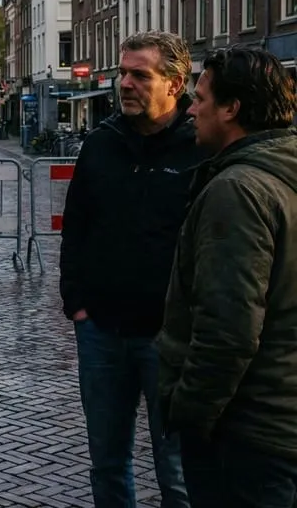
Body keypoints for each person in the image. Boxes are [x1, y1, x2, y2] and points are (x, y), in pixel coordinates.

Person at [59, 31, 206, 508]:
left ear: (175, 83)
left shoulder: (200, 150)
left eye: (140, 75)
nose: (125, 83)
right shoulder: (102, 144)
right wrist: (76, 303)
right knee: (106, 462)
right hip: (100, 328)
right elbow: (76, 224)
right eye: (123, 72)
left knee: (177, 473)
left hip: (169, 338)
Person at [158, 46, 297, 508]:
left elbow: (229, 328)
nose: (190, 110)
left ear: (232, 108)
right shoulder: (285, 173)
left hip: (246, 434)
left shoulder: (237, 190)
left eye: (199, 99)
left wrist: (188, 412)